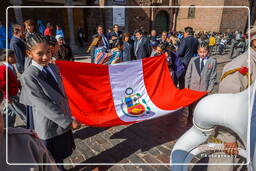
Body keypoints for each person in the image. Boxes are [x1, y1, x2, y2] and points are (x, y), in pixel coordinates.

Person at [19, 33, 80, 171]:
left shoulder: (52, 67)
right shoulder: (29, 76)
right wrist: (68, 121)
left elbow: (60, 92)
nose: (45, 57)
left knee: (61, 153)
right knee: (50, 156)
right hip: (48, 123)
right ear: (29, 53)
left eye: (48, 52)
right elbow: (43, 104)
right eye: (40, 54)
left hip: (61, 118)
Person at [185, 43, 217, 122]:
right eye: (200, 52)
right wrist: (186, 86)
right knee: (191, 103)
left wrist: (209, 89)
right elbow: (188, 74)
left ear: (208, 51)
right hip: (192, 87)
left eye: (204, 52)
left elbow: (213, 76)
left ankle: (197, 117)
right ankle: (190, 115)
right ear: (198, 51)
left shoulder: (212, 61)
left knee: (201, 104)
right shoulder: (193, 60)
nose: (202, 54)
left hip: (203, 88)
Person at [0, 49, 26, 127]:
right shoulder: (3, 69)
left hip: (14, 93)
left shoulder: (11, 67)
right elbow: (2, 85)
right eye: (13, 57)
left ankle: (6, 127)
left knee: (9, 113)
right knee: (23, 111)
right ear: (7, 58)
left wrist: (20, 86)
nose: (16, 58)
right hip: (11, 96)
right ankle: (31, 125)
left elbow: (13, 80)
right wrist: (7, 97)